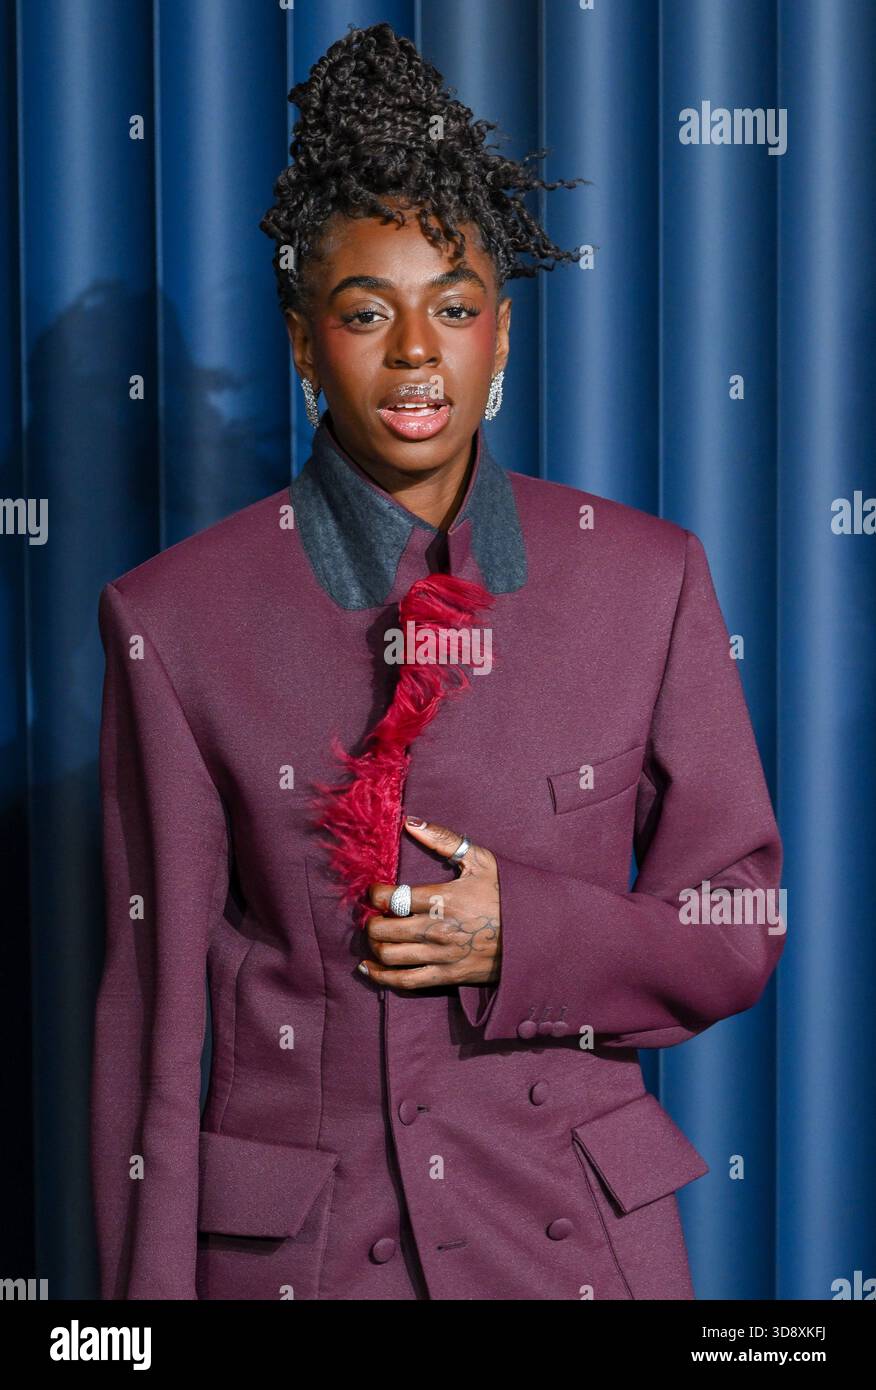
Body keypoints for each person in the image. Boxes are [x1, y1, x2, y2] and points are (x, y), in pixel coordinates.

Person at [90, 21, 784, 1301]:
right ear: (306, 347)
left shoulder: (647, 578)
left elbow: (734, 926)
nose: (418, 352)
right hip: (296, 1265)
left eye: (455, 308)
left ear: (502, 338)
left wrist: (528, 933)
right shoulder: (173, 618)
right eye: (367, 312)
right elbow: (152, 1029)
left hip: (569, 1251)